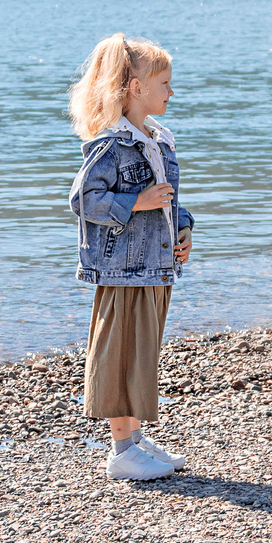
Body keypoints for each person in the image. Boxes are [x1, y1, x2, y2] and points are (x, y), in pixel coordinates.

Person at [68, 33, 194, 481]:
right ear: (136, 88)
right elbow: (84, 199)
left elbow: (168, 197)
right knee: (121, 353)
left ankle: (135, 439)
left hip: (157, 267)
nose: (171, 92)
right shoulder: (112, 144)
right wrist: (135, 203)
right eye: (164, 84)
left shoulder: (157, 139)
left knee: (142, 352)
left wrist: (183, 229)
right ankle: (121, 450)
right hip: (123, 270)